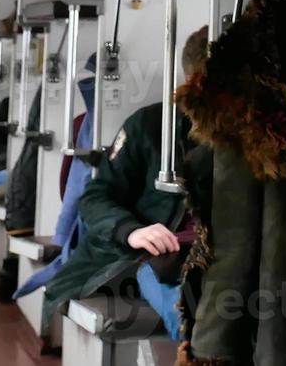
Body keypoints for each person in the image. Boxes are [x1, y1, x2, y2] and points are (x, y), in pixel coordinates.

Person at [38, 25, 211, 338]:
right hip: (151, 256)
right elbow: (96, 197)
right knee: (193, 313)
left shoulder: (253, 140)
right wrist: (132, 231)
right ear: (192, 82)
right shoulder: (148, 126)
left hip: (218, 254)